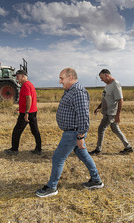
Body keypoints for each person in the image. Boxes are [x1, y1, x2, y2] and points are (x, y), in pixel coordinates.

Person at [36, 68, 103, 197]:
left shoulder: (78, 92)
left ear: (71, 77)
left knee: (58, 158)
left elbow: (83, 116)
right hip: (73, 132)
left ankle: (51, 187)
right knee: (84, 155)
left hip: (74, 133)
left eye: (62, 78)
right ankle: (96, 180)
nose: (60, 81)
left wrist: (80, 136)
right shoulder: (70, 91)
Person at [89, 69, 133, 155]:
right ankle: (128, 147)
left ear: (106, 75)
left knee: (101, 129)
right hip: (107, 111)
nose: (101, 80)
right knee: (115, 129)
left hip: (111, 112)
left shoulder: (115, 84)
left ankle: (98, 150)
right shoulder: (107, 85)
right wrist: (99, 107)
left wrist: (118, 114)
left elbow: (120, 100)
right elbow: (106, 97)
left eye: (102, 77)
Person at [4, 69, 42, 155]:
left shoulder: (25, 85)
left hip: (27, 113)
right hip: (33, 111)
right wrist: (20, 107)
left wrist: (26, 113)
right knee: (35, 131)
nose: (17, 79)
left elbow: (29, 98)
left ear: (23, 76)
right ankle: (38, 149)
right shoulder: (30, 84)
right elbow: (27, 99)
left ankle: (14, 150)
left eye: (18, 77)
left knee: (17, 130)